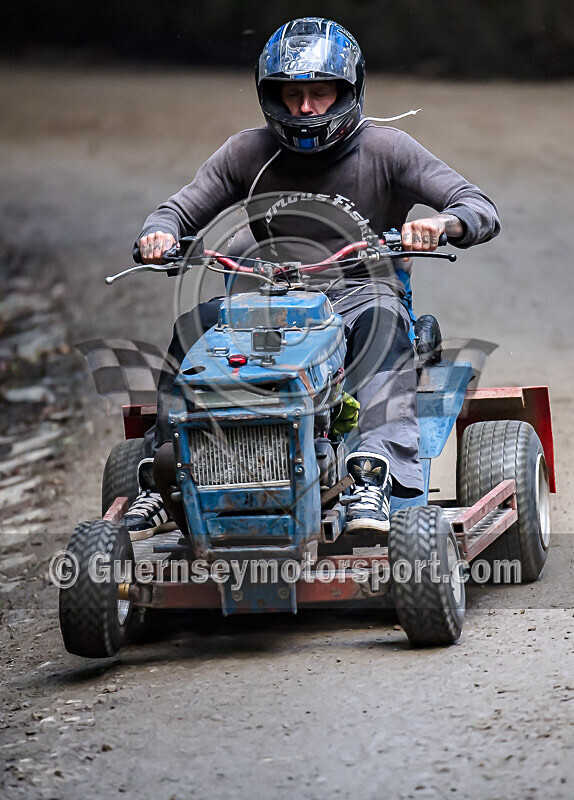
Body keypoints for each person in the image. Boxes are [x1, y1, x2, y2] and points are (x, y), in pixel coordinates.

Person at [123, 17, 500, 541]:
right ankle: (160, 473)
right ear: (270, 97)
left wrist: (442, 224)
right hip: (269, 298)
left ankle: (372, 470)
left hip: (361, 292)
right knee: (195, 326)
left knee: (382, 320)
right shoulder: (245, 153)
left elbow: (478, 206)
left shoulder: (388, 150)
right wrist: (159, 234)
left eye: (319, 94)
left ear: (347, 92)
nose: (304, 108)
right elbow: (178, 209)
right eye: (292, 94)